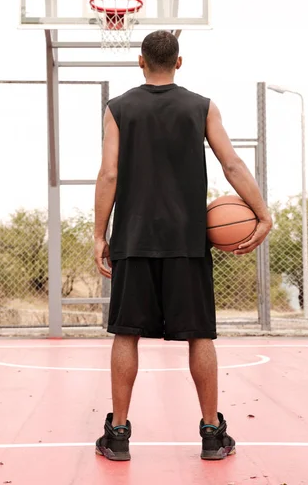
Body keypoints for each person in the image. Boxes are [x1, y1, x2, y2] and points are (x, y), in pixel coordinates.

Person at [93, 30, 272, 462]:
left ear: (140, 62)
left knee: (126, 333)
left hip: (134, 239)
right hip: (187, 240)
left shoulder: (118, 109)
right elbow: (231, 162)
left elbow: (109, 174)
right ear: (179, 62)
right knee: (199, 336)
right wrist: (262, 212)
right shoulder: (202, 107)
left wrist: (100, 234)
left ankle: (118, 435)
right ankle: (212, 434)